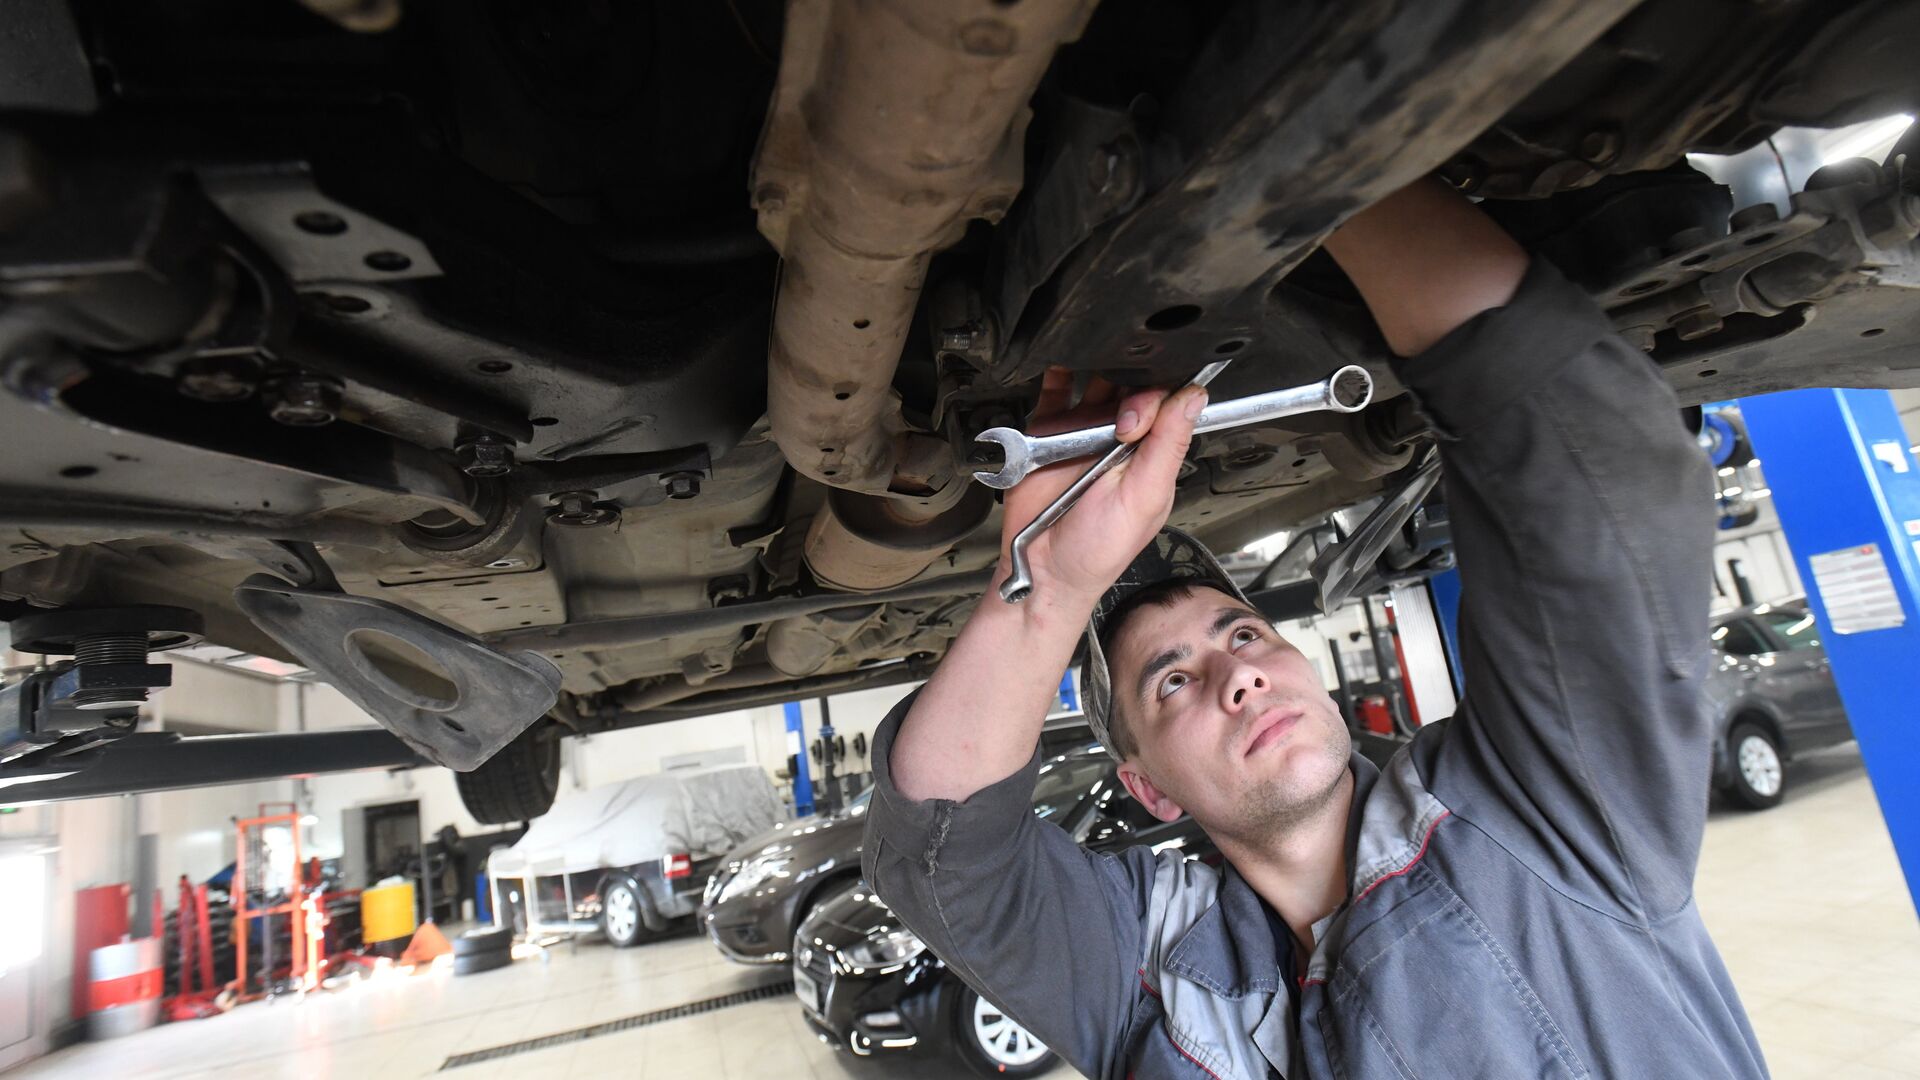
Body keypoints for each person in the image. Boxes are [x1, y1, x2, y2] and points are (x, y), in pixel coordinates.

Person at [861, 177, 1768, 1078]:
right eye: (1171, 681)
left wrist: (1326, 169)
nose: (1238, 677)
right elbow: (943, 860)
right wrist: (1048, 586)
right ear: (1149, 792)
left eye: (1244, 635)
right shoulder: (1145, 971)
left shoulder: (1530, 811)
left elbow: (1599, 485)